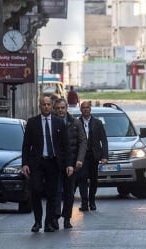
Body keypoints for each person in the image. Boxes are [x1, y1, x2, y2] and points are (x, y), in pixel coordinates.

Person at [21, 95, 72, 233]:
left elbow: (65, 146)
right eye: (44, 104)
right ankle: (37, 221)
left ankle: (48, 222)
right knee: (36, 190)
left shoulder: (59, 123)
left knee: (52, 194)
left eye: (49, 104)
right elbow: (26, 145)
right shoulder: (32, 123)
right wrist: (24, 164)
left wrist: (68, 164)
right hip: (37, 163)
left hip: (53, 163)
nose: (46, 107)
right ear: (40, 106)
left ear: (52, 106)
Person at [52, 98, 86, 229]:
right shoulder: (52, 122)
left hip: (71, 164)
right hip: (55, 164)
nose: (60, 110)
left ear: (66, 108)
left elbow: (83, 142)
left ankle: (67, 218)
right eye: (58, 108)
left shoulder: (75, 123)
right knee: (56, 192)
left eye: (63, 108)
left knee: (69, 193)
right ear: (55, 109)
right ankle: (55, 217)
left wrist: (79, 159)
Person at [77, 100, 108, 211]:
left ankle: (92, 201)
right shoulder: (77, 123)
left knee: (94, 180)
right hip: (82, 156)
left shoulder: (97, 123)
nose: (85, 109)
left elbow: (103, 140)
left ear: (90, 109)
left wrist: (104, 156)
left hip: (94, 156)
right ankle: (84, 203)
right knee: (82, 179)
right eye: (83, 108)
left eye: (87, 107)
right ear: (81, 109)